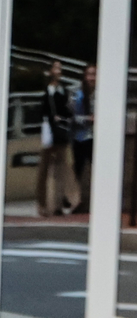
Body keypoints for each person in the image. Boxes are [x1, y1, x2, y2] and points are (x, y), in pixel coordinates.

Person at [38, 60, 78, 218]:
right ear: (50, 72)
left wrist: (63, 116)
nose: (59, 71)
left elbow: (68, 111)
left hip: (60, 133)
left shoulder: (63, 90)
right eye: (56, 68)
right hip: (49, 132)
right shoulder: (47, 91)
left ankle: (59, 204)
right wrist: (50, 117)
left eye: (60, 69)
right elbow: (42, 110)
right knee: (45, 169)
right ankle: (42, 204)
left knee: (61, 169)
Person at [72, 63, 99, 216]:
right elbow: (74, 117)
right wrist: (88, 119)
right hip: (81, 137)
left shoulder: (100, 93)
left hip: (95, 137)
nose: (92, 78)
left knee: (97, 170)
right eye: (89, 74)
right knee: (78, 170)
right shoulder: (79, 94)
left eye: (94, 74)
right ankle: (76, 201)